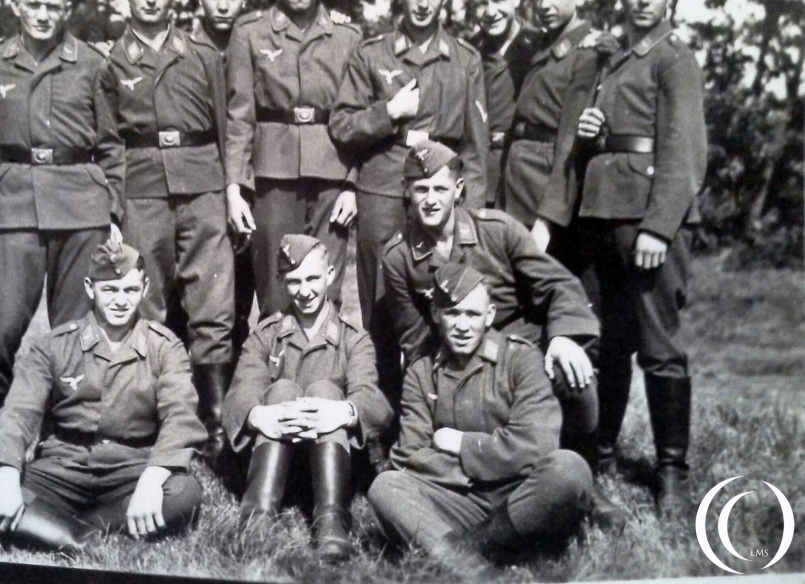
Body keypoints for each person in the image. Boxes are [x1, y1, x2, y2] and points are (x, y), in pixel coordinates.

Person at [538, 0, 707, 518]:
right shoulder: (612, 60)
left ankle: (671, 472)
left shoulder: (673, 58)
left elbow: (683, 151)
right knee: (609, 347)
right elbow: (606, 137)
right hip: (602, 216)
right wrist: (590, 130)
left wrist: (660, 227)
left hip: (647, 222)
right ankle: (601, 455)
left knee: (659, 348)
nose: (642, 0)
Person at [380, 140, 620, 529]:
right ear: (406, 191)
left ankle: (587, 484)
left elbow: (559, 285)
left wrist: (561, 338)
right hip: (459, 349)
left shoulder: (498, 230)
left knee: (575, 377)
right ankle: (491, 484)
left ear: (458, 189)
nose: (430, 199)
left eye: (440, 188)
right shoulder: (399, 257)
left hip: (524, 346)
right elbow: (413, 336)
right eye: (420, 189)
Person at [0, 238, 205, 552]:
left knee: (186, 492)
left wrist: (151, 481)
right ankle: (87, 539)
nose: (120, 301)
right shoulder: (54, 345)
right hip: (61, 469)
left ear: (144, 289)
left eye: (130, 290)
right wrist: (7, 481)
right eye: (109, 290)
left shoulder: (165, 346)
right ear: (90, 288)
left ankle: (46, 530)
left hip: (129, 471)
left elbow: (180, 417)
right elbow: (18, 413)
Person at [98, 0, 235, 461]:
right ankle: (152, 420)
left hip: (202, 186)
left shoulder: (202, 56)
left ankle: (216, 428)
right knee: (147, 304)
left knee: (212, 306)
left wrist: (229, 190)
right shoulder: (109, 63)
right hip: (143, 190)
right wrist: (114, 208)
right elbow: (108, 141)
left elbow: (226, 128)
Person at [367, 262, 592, 570]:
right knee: (385, 486)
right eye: (452, 313)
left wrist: (460, 444)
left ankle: (467, 549)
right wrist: (478, 472)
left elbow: (536, 446)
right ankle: (474, 570)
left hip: (522, 495)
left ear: (489, 316)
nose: (462, 325)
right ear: (435, 314)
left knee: (569, 469)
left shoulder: (521, 359)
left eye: (472, 314)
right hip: (461, 498)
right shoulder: (421, 372)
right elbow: (409, 456)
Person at [0, 0, 124, 408]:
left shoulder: (93, 64)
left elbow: (112, 145)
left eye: (52, 7)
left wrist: (113, 210)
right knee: (0, 326)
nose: (42, 15)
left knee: (77, 329)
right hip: (13, 205)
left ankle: (68, 426)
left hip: (81, 207)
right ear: (16, 5)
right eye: (33, 5)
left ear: (67, 9)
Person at [330, 0, 487, 343]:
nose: (423, 1)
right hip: (384, 189)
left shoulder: (465, 60)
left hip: (442, 195)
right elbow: (343, 124)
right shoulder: (372, 53)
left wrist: (471, 217)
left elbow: (475, 151)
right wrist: (389, 113)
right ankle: (382, 400)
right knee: (380, 310)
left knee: (444, 305)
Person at [221, 235, 392, 559]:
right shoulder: (266, 335)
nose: (305, 291)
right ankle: (258, 515)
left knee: (326, 392)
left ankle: (331, 518)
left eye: (313, 278)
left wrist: (345, 413)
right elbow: (239, 393)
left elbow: (374, 402)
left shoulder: (353, 339)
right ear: (282, 282)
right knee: (282, 389)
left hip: (332, 464)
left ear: (330, 274)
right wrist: (258, 415)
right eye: (294, 281)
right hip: (273, 458)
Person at [225, 0, 360, 317]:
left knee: (326, 288)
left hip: (331, 173)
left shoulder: (348, 36)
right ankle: (276, 375)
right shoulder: (249, 33)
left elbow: (357, 116)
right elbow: (239, 115)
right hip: (272, 173)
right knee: (276, 287)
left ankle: (324, 378)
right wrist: (235, 187)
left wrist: (351, 183)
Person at [503, 0, 599, 244]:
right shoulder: (540, 46)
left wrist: (548, 219)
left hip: (542, 195)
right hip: (515, 184)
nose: (544, 4)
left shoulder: (587, 54)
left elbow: (570, 143)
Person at [191, 0, 256, 361]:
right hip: (198, 187)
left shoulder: (255, 41)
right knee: (199, 296)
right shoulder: (184, 47)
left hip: (247, 182)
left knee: (243, 288)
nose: (222, 4)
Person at [464, 0, 543, 207]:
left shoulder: (541, 45)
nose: (490, 12)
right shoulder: (467, 53)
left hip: (528, 174)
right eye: (481, 3)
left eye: (499, 0)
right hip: (482, 174)